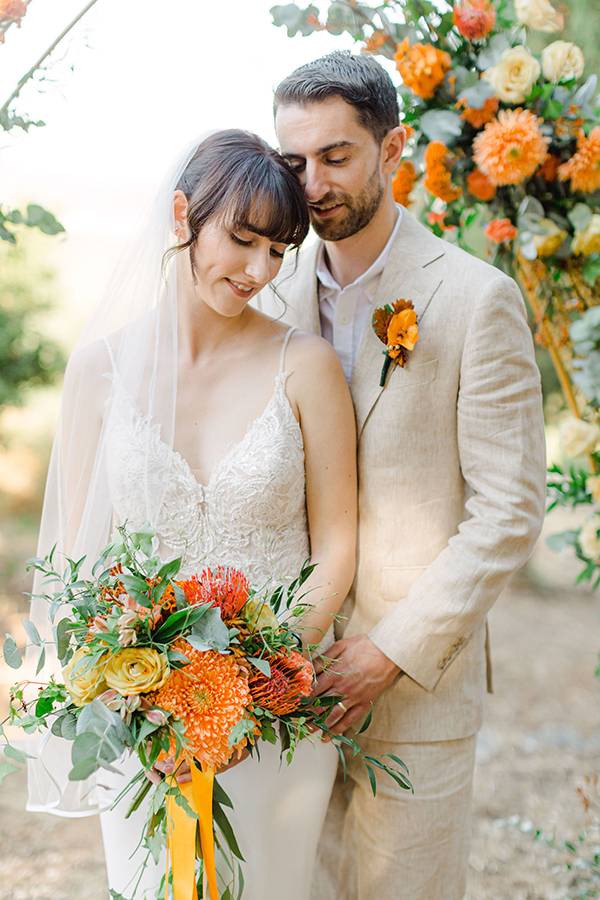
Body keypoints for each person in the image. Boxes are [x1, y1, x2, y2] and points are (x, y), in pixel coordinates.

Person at [26, 129, 357, 900]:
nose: (257, 271)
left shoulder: (304, 365)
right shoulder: (99, 370)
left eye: (277, 250)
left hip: (275, 718)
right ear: (183, 216)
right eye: (242, 240)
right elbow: (80, 558)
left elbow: (338, 545)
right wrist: (133, 692)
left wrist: (254, 686)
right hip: (143, 723)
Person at [256, 51, 547, 900]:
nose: (311, 185)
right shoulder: (266, 296)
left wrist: (390, 649)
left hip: (415, 698)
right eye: (294, 162)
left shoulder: (473, 299)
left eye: (336, 157)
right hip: (280, 692)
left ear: (393, 150)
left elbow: (509, 511)